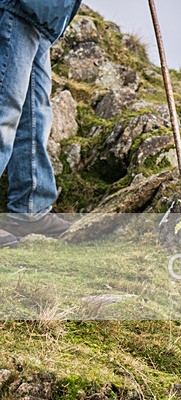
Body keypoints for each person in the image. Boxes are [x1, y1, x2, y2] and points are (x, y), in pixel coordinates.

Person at [0, 0, 81, 249]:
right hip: (20, 6)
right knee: (5, 106)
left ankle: (30, 210)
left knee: (35, 112)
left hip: (41, 15)